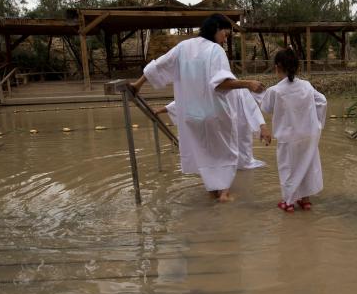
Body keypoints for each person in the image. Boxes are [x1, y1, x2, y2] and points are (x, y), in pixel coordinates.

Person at [130, 14, 265, 202]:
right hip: (216, 114)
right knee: (227, 152)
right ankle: (224, 193)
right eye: (225, 35)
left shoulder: (183, 47)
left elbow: (159, 65)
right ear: (216, 28)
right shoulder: (215, 51)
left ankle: (211, 191)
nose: (225, 40)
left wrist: (137, 85)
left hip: (192, 116)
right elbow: (220, 84)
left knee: (204, 153)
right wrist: (248, 83)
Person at [260, 48, 327, 213]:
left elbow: (266, 108)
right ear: (298, 68)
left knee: (288, 167)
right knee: (307, 165)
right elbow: (322, 101)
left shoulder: (275, 90)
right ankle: (306, 200)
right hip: (308, 135)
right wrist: (317, 123)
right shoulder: (306, 86)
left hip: (288, 137)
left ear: (277, 67)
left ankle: (288, 202)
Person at [156, 89, 271, 170]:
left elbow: (252, 108)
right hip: (220, 131)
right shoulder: (208, 87)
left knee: (243, 163)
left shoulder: (239, 88)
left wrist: (262, 126)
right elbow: (185, 102)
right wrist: (162, 109)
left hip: (239, 130)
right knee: (222, 162)